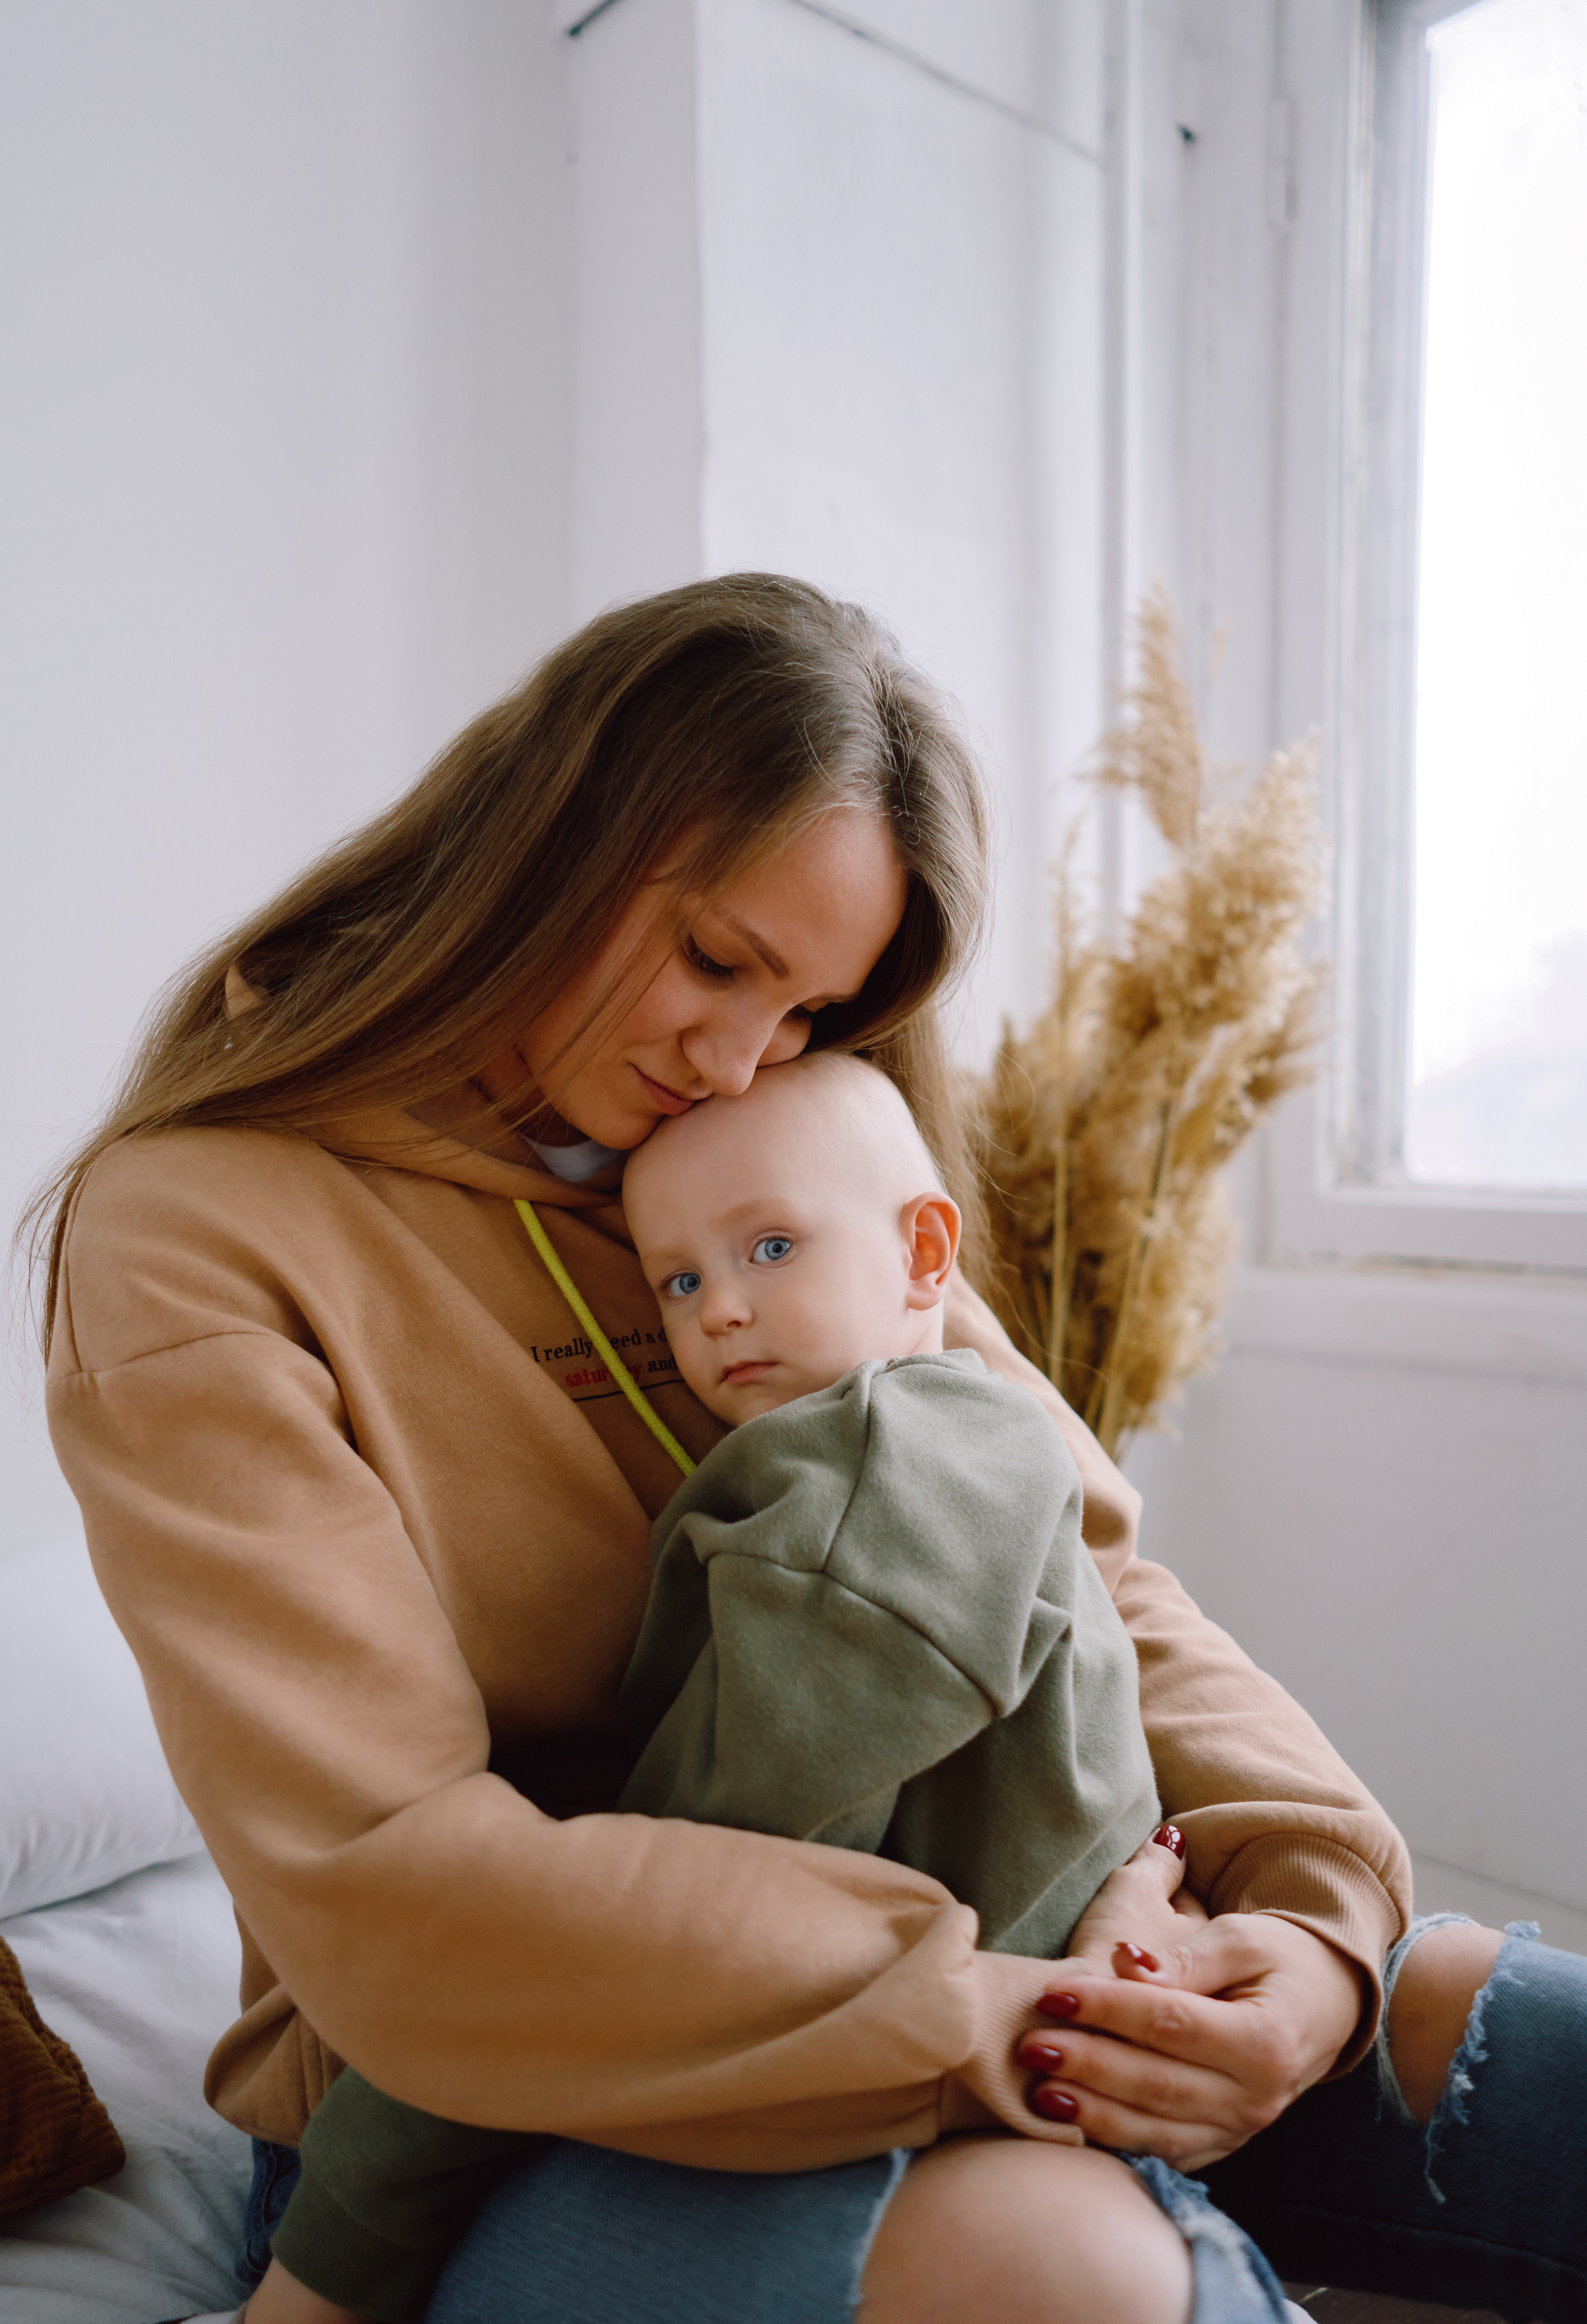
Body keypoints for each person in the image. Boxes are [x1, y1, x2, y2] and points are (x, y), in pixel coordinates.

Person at [29, 574, 1586, 2323]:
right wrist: (1001, 2018)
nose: (735, 1055)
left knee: (1504, 2032)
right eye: (715, 959)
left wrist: (1307, 1935)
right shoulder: (197, 1231)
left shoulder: (770, 1146)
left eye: (805, 1011)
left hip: (1025, 1954)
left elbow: (1081, 1567)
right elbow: (399, 1882)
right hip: (514, 2102)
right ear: (546, 837)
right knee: (1061, 2264)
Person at [247, 1050, 1167, 2321]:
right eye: (679, 1278)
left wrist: (327, 2258)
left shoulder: (854, 1502)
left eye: (772, 1246)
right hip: (992, 2029)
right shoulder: (977, 1435)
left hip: (928, 2075)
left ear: (923, 1253)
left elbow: (663, 1911)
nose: (718, 1308)